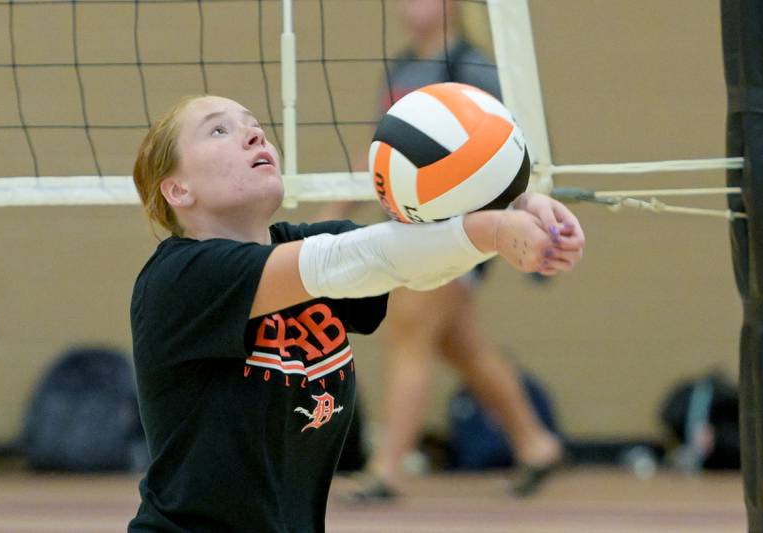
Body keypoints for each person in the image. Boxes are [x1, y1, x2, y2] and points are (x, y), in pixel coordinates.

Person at [127, 93, 584, 532]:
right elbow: (359, 258)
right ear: (177, 189)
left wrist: (520, 206)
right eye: (219, 130)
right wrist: (496, 230)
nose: (254, 136)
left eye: (254, 126)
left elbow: (413, 258)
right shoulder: (179, 279)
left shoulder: (300, 244)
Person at [318, 0, 567, 499]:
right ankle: (536, 443)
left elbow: (510, 150)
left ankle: (386, 469)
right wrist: (330, 213)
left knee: (408, 335)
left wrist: (524, 221)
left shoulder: (472, 67)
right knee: (462, 347)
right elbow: (383, 150)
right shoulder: (403, 65)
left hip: (460, 232)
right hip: (408, 228)